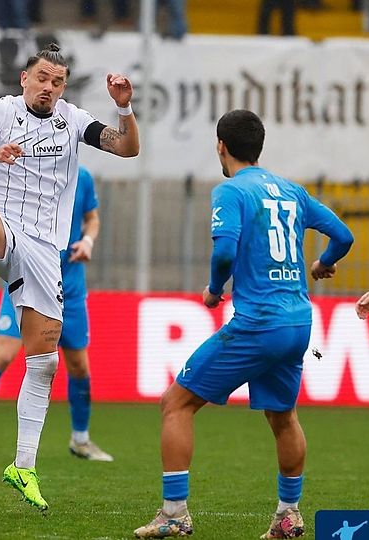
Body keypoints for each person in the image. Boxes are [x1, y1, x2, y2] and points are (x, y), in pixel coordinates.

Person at [0, 43, 139, 511]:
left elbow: (127, 148)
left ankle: (22, 466)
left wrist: (124, 108)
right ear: (24, 78)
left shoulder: (74, 120)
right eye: (42, 78)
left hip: (46, 252)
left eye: (57, 81)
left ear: (64, 87)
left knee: (44, 362)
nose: (48, 87)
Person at [133, 109, 354, 538]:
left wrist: (215, 290)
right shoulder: (291, 190)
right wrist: (323, 263)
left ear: (221, 146)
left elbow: (223, 253)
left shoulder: (231, 191)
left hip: (259, 322)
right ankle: (288, 515)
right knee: (283, 416)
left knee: (176, 403)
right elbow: (343, 236)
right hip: (298, 321)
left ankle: (174, 514)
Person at [0, 166, 114, 463]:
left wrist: (87, 241)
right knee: (3, 355)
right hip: (26, 277)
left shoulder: (82, 177)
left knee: (78, 366)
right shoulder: (26, 171)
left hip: (69, 286)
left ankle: (81, 440)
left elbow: (92, 218)